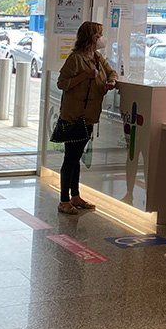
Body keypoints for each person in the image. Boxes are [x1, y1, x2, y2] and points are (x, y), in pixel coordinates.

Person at [55, 21, 117, 215]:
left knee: (77, 158)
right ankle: (64, 200)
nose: (102, 38)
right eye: (99, 34)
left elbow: (111, 72)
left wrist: (111, 82)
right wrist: (84, 76)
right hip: (74, 116)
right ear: (91, 37)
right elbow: (62, 83)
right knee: (70, 158)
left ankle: (75, 196)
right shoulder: (76, 59)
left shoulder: (97, 57)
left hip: (89, 116)